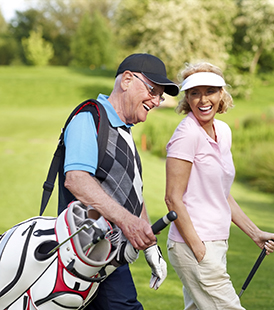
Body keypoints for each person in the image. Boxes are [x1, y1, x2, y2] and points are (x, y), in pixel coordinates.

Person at [61, 53, 179, 310]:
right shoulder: (89, 119)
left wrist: (149, 246)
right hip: (89, 252)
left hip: (107, 255)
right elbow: (77, 180)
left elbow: (132, 193)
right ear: (126, 80)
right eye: (153, 90)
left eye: (161, 95)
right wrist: (129, 223)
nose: (157, 101)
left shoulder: (122, 130)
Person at [164, 62, 274, 310]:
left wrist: (255, 233)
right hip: (194, 244)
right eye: (194, 93)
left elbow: (222, 194)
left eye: (210, 91)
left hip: (217, 242)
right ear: (187, 98)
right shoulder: (187, 135)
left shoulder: (223, 131)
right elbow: (172, 199)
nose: (202, 99)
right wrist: (199, 250)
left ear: (221, 95)